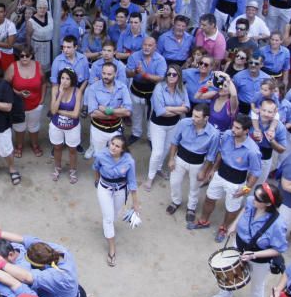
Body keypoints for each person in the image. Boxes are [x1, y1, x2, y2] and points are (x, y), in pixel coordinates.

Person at [208, 183, 288, 297]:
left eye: (258, 198)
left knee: (257, 285)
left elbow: (279, 249)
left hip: (259, 258)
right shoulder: (252, 201)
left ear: (269, 203)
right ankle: (226, 292)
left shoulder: (278, 224)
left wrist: (254, 255)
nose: (253, 198)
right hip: (239, 245)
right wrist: (234, 225)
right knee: (231, 272)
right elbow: (245, 210)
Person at [192, 115, 262, 242]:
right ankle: (203, 221)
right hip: (220, 174)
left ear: (246, 131)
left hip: (236, 182)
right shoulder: (227, 135)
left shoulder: (253, 151)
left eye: (237, 128)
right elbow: (220, 153)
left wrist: (246, 189)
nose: (233, 130)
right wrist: (213, 169)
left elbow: (256, 173)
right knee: (209, 199)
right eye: (233, 126)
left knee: (232, 209)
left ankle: (224, 228)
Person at [92, 135, 140, 267]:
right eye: (112, 144)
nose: (113, 147)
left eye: (117, 146)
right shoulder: (101, 155)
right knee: (108, 218)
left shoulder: (129, 161)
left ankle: (108, 228)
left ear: (122, 149)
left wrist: (135, 203)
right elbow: (96, 168)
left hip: (120, 190)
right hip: (104, 188)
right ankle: (112, 249)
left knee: (113, 215)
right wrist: (97, 181)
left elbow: (132, 182)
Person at [143, 65, 190, 190]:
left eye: (174, 74)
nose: (171, 76)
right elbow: (160, 111)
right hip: (158, 124)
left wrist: (169, 108)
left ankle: (158, 168)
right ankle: (150, 177)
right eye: (169, 74)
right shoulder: (159, 88)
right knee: (157, 152)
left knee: (166, 149)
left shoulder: (182, 89)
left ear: (179, 76)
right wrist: (178, 109)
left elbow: (187, 107)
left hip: (174, 125)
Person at [6, 44, 45, 159]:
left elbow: (43, 83)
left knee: (34, 127)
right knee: (19, 127)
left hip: (35, 104)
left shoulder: (38, 66)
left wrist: (42, 100)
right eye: (21, 56)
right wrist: (17, 93)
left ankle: (34, 144)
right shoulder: (13, 67)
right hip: (18, 105)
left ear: (31, 55)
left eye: (27, 56)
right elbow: (5, 85)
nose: (24, 58)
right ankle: (19, 145)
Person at [50, 68, 82, 184]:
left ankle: (72, 171)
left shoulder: (77, 91)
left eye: (67, 79)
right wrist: (61, 94)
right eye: (62, 78)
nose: (64, 81)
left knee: (72, 150)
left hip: (72, 127)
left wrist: (60, 111)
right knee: (57, 147)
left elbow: (75, 114)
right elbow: (53, 111)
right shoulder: (55, 89)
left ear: (72, 80)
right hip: (56, 125)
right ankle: (57, 168)